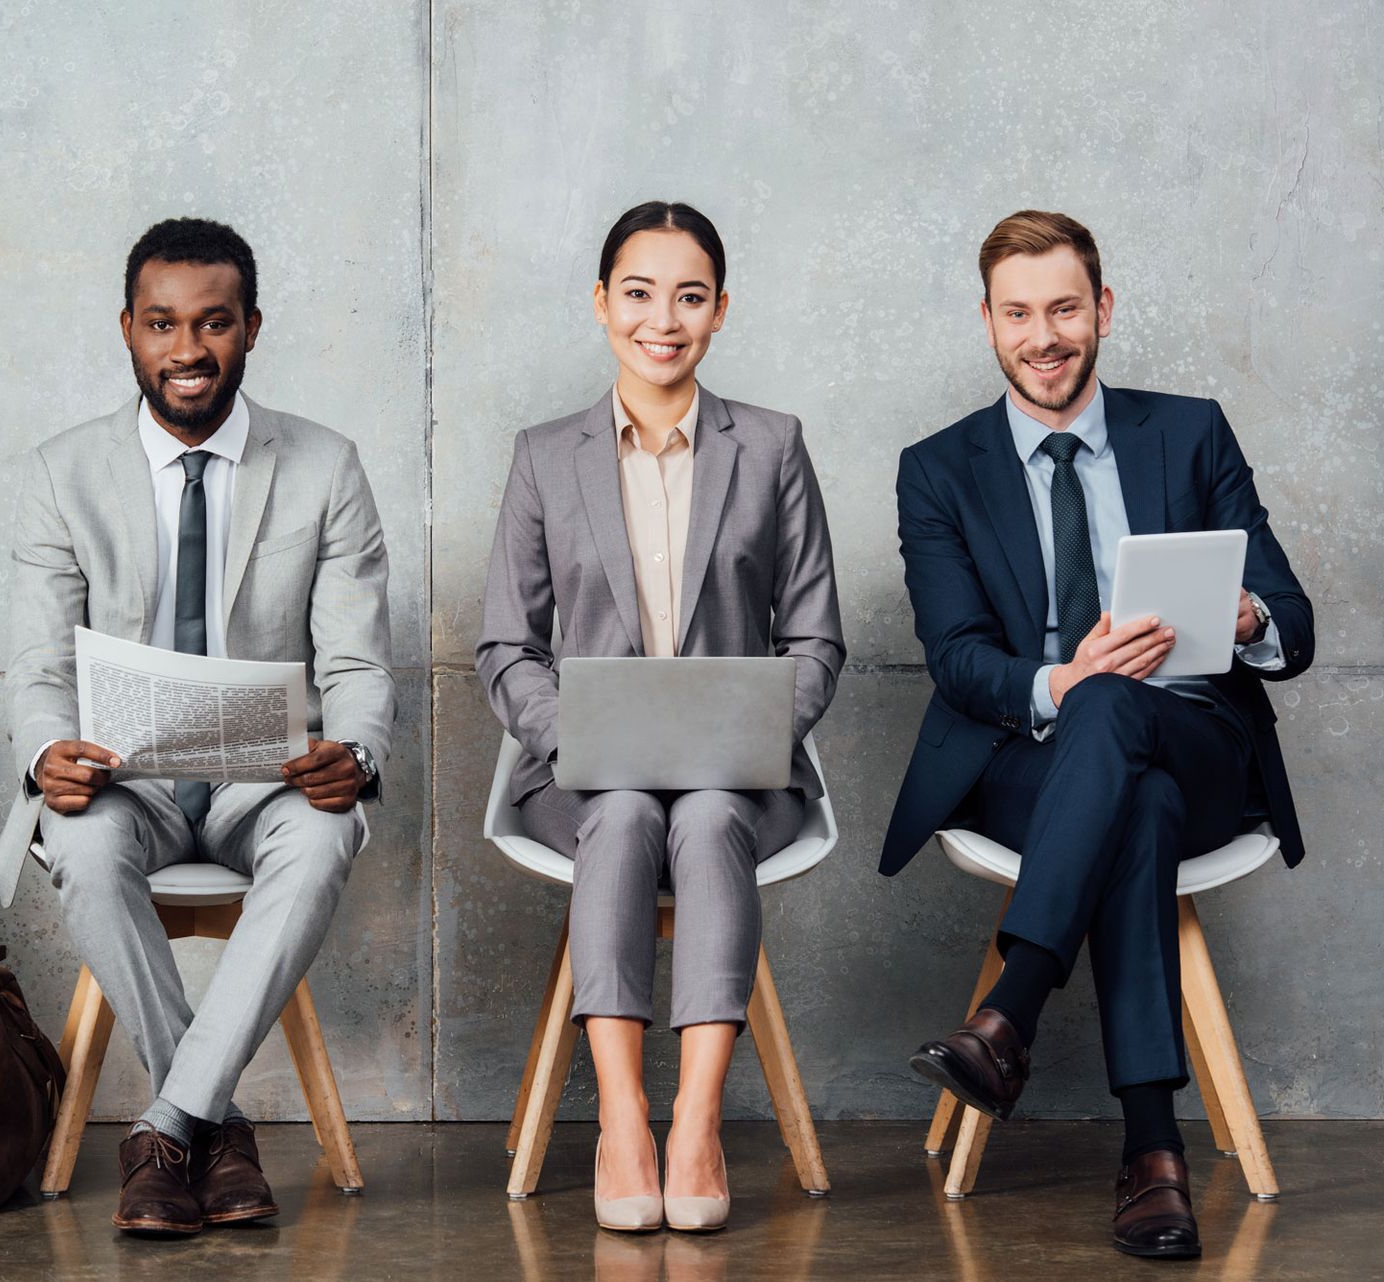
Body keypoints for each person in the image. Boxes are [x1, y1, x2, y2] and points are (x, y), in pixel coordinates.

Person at [883, 210, 1313, 1260]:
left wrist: (1247, 613)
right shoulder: (939, 468)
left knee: (1132, 725)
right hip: (1036, 759)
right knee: (1130, 780)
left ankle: (1009, 1014)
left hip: (1202, 738)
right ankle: (1154, 1151)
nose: (1046, 335)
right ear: (987, 323)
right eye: (1020, 313)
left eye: (1066, 307)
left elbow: (1292, 618)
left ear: (1103, 310)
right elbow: (958, 657)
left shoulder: (1190, 430)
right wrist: (1059, 679)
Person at [0, 217, 395, 1236]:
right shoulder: (61, 472)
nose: (187, 350)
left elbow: (354, 663)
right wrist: (48, 750)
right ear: (127, 328)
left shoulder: (325, 466)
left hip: (268, 780)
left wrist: (353, 751)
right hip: (123, 779)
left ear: (251, 328)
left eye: (213, 323)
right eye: (164, 324)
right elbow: (39, 663)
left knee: (320, 842)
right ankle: (213, 1136)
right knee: (77, 848)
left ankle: (164, 1128)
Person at [477, 201, 845, 1233]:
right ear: (603, 305)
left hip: (741, 772)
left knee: (711, 812)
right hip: (584, 777)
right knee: (632, 810)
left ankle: (696, 1124)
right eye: (639, 292)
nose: (663, 318)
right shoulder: (547, 455)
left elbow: (815, 638)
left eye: (690, 295)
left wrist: (762, 732)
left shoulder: (770, 447)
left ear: (721, 310)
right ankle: (624, 1124)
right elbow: (506, 645)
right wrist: (578, 734)